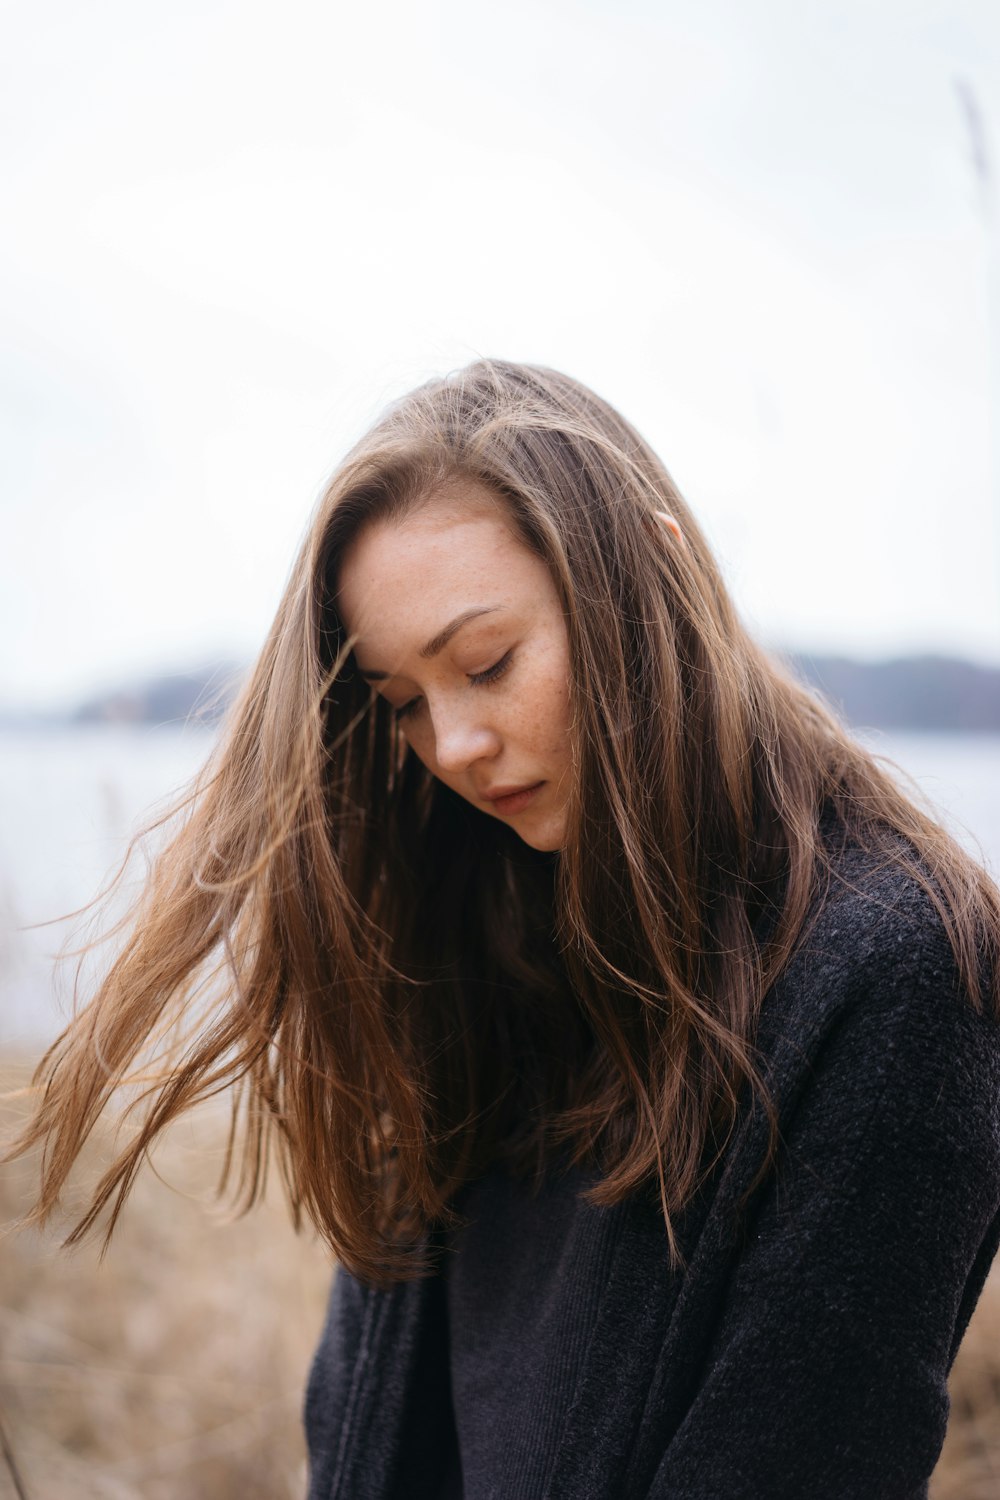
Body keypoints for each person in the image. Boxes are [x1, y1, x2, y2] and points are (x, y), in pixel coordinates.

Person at [10, 358, 1000, 1498]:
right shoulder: (467, 921)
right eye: (403, 704)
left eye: (486, 665)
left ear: (653, 570)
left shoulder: (899, 971)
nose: (454, 746)